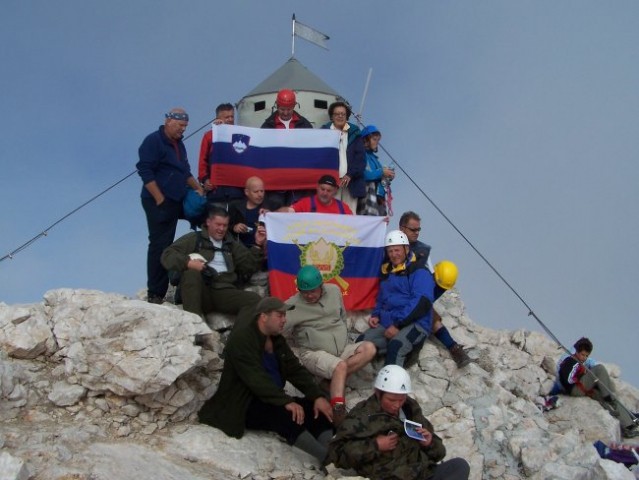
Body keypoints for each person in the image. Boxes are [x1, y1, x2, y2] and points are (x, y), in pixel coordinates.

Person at [198, 297, 335, 462]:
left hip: (272, 397)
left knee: (315, 408)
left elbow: (295, 370)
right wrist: (285, 401)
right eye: (280, 315)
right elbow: (256, 379)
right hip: (245, 403)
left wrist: (317, 396)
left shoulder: (276, 339)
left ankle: (331, 450)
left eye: (284, 315)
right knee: (285, 415)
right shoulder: (242, 339)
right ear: (264, 316)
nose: (284, 320)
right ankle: (328, 459)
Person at [325, 365, 470, 480]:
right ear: (378, 393)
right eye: (392, 400)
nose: (397, 405)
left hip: (422, 473)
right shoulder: (363, 415)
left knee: (460, 466)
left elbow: (439, 453)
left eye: (401, 399)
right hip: (388, 476)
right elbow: (337, 454)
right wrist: (375, 445)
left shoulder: (410, 408)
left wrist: (429, 443)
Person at [358, 231, 469, 367]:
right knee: (362, 342)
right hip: (394, 318)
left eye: (397, 250)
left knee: (397, 345)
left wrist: (398, 325)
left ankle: (449, 347)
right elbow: (384, 296)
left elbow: (421, 302)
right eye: (390, 251)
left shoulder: (418, 271)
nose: (393, 254)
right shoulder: (389, 271)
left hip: (410, 318)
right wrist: (376, 314)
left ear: (406, 249)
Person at [284, 265, 377, 425]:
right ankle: (338, 414)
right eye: (305, 292)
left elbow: (341, 316)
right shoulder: (291, 306)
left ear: (321, 285)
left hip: (340, 349)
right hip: (314, 353)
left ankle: (330, 383)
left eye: (313, 290)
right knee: (340, 367)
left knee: (369, 349)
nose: (309, 295)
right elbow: (278, 329)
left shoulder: (334, 290)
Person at [136, 108, 204, 304]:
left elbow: (185, 171)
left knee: (207, 214)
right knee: (160, 244)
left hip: (177, 199)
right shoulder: (154, 141)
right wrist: (159, 198)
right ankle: (156, 293)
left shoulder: (179, 145)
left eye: (185, 126)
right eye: (181, 126)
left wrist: (198, 189)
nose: (183, 130)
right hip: (158, 201)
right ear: (169, 121)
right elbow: (145, 170)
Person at [160, 206, 263, 317]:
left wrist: (258, 245)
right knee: (191, 273)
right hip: (202, 291)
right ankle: (196, 325)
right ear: (208, 222)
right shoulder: (195, 238)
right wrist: (188, 263)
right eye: (218, 225)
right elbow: (167, 255)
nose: (221, 229)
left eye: (225, 225)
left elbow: (249, 266)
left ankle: (237, 334)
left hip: (226, 291)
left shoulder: (231, 244)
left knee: (255, 300)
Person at [399, 212, 470, 368]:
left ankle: (453, 348)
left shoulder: (421, 250)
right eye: (413, 230)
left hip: (417, 291)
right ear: (402, 228)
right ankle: (450, 346)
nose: (416, 233)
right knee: (427, 313)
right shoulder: (392, 246)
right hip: (398, 291)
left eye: (419, 230)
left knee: (430, 312)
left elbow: (429, 274)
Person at [556, 337, 638, 438]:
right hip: (575, 388)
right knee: (600, 369)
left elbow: (589, 366)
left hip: (582, 389)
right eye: (582, 354)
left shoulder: (582, 362)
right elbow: (567, 379)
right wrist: (581, 377)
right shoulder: (570, 361)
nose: (584, 357)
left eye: (586, 355)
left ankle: (628, 426)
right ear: (576, 351)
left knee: (607, 401)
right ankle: (609, 395)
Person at [261, 89, 314, 206]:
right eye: (282, 109)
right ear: (276, 106)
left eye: (289, 109)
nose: (285, 113)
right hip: (276, 180)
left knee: (297, 210)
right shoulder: (267, 126)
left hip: (298, 180)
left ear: (294, 106)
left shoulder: (305, 125)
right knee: (276, 210)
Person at [321, 102, 365, 214]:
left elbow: (360, 158)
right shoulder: (323, 132)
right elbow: (320, 157)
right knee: (330, 214)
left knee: (349, 214)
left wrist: (350, 174)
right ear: (332, 116)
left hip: (351, 183)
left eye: (343, 114)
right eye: (337, 114)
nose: (340, 116)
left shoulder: (355, 133)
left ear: (347, 116)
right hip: (330, 182)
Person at [197, 103, 244, 206]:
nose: (230, 119)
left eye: (232, 116)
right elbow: (202, 161)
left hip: (236, 190)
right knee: (217, 220)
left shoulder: (241, 135)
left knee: (236, 221)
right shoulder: (209, 136)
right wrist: (205, 179)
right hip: (216, 190)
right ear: (218, 118)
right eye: (227, 117)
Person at [228, 176, 279, 248]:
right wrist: (234, 227)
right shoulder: (235, 207)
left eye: (262, 191)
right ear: (247, 192)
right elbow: (225, 227)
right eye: (256, 192)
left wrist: (271, 215)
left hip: (263, 251)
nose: (260, 195)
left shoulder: (271, 206)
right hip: (240, 249)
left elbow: (281, 225)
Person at [357, 125, 395, 216]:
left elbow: (380, 175)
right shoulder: (361, 155)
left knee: (379, 223)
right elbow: (364, 174)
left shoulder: (375, 159)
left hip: (378, 198)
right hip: (368, 196)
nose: (377, 143)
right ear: (366, 140)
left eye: (378, 140)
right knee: (369, 221)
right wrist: (382, 172)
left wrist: (388, 176)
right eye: (374, 139)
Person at [285, 175, 353, 215]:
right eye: (322, 189)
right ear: (317, 187)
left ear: (334, 191)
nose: (325, 193)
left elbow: (354, 223)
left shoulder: (343, 208)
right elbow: (284, 213)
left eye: (329, 191)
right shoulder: (305, 203)